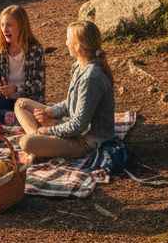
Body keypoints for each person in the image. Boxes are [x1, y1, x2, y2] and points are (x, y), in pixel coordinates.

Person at [14, 20, 116, 162]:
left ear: (78, 45)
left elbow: (79, 126)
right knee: (21, 103)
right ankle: (38, 137)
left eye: (68, 39)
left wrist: (48, 130)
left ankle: (39, 141)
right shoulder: (78, 66)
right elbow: (72, 102)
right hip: (68, 123)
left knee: (25, 143)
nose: (66, 43)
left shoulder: (91, 78)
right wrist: (52, 111)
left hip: (86, 141)